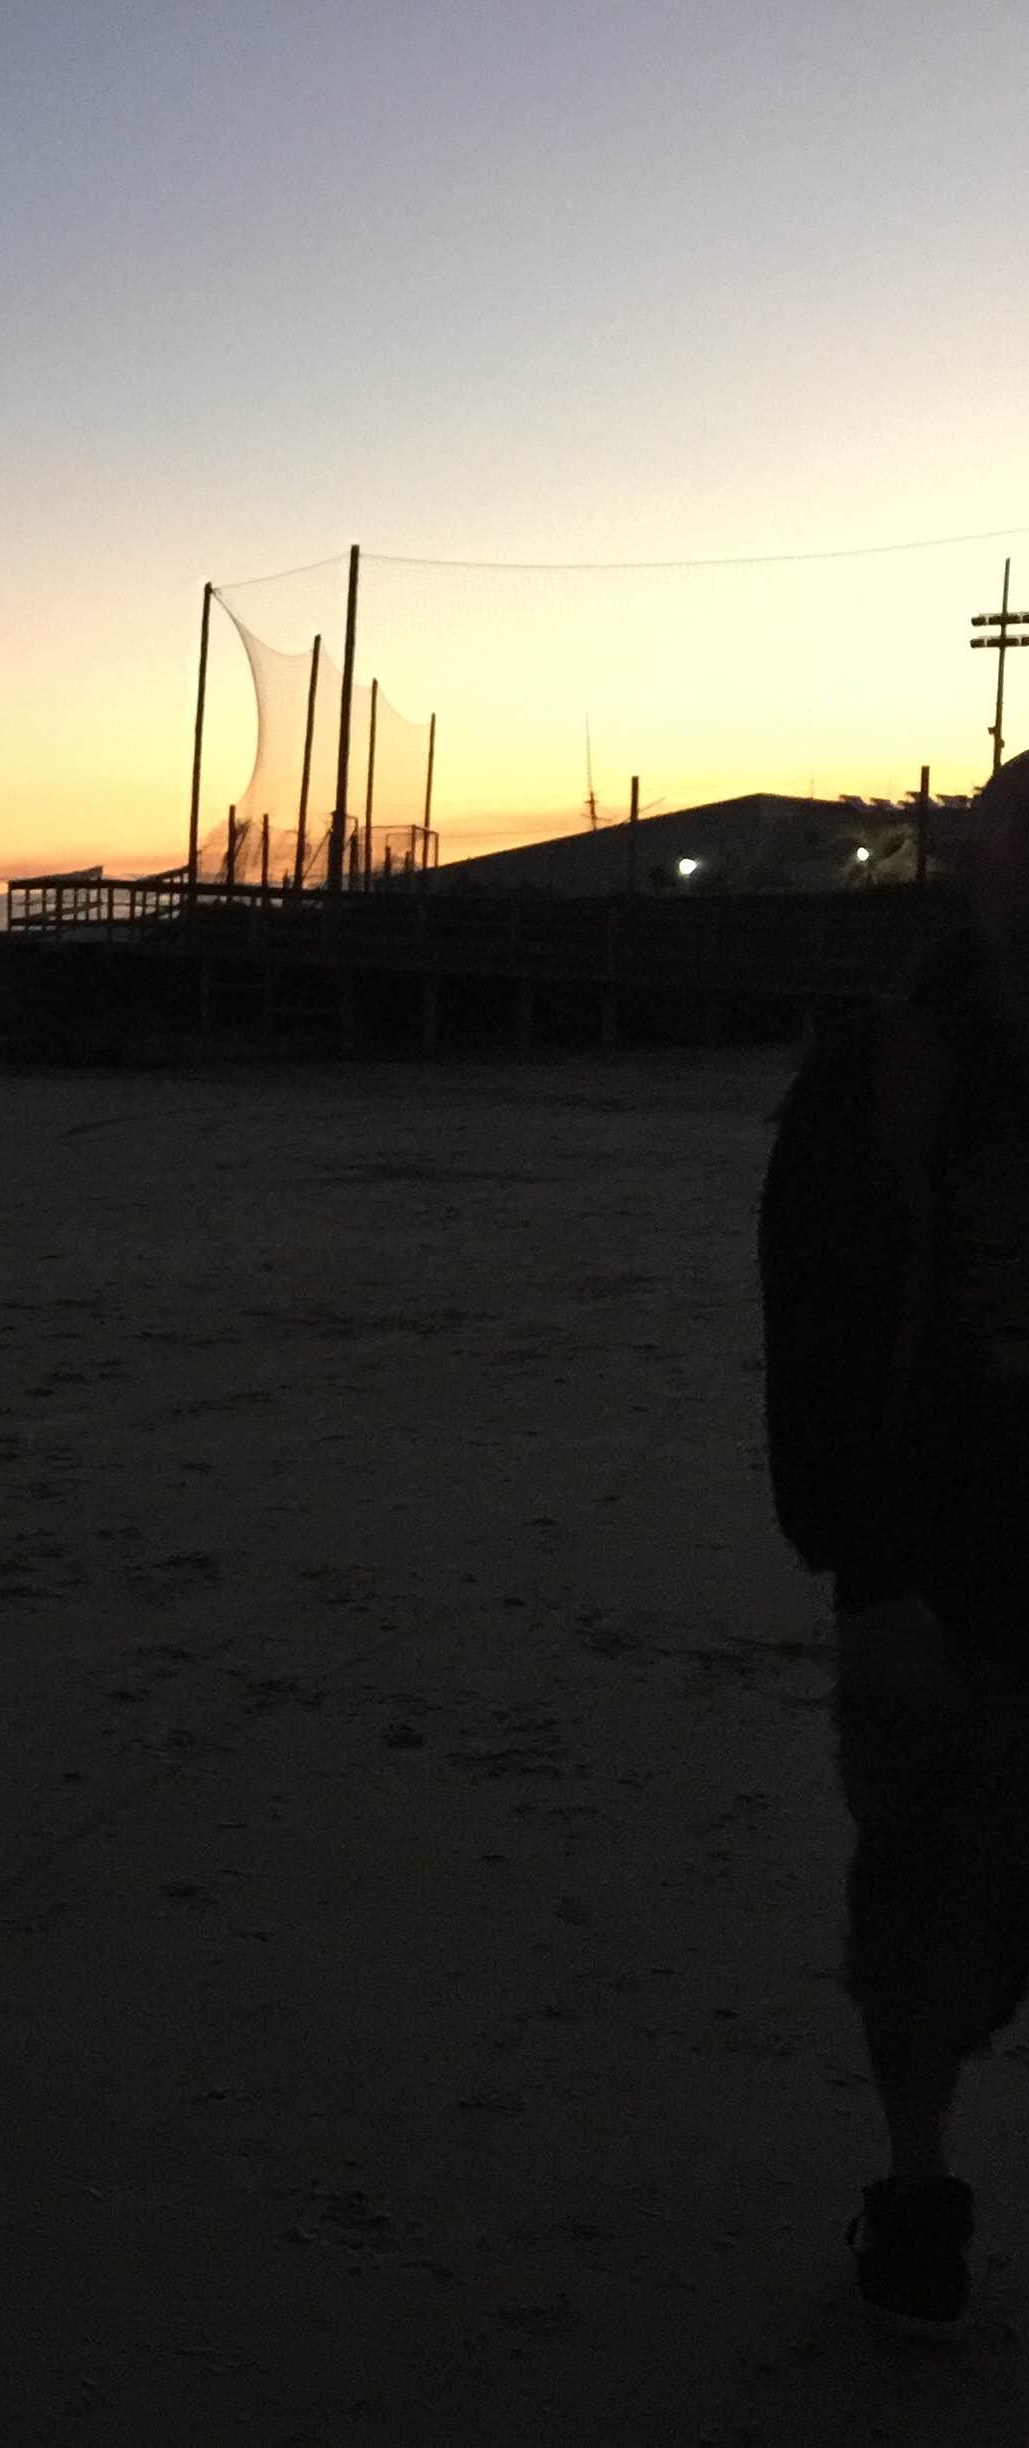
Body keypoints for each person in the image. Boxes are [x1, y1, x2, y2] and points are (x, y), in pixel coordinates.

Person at [837, 753, 1029, 2335]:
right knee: (919, 1910)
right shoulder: (889, 1061)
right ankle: (916, 2198)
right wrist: (868, 1569)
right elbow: (822, 1329)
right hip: (945, 1561)